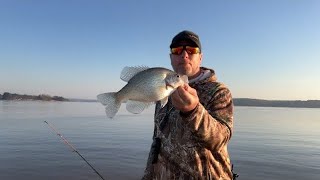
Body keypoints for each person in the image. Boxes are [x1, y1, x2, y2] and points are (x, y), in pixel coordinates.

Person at [142, 30, 237, 180]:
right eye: (177, 50)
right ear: (171, 58)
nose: (184, 55)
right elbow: (157, 141)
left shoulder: (219, 92)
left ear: (200, 57)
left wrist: (193, 111)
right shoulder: (163, 91)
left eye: (191, 50)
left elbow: (221, 138)